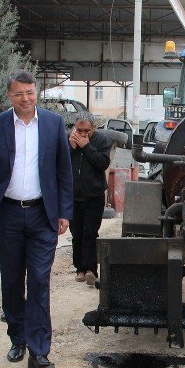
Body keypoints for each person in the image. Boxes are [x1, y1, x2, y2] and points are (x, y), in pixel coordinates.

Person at [0, 70, 74, 368]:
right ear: (10, 96)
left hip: (44, 214)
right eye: (19, 94)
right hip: (9, 214)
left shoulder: (54, 124)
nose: (25, 98)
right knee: (13, 279)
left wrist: (64, 212)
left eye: (30, 93)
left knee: (40, 280)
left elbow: (64, 173)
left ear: (36, 93)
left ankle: (39, 349)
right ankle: (17, 338)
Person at [69, 112, 112, 286]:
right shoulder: (69, 140)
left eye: (86, 130)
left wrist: (86, 146)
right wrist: (70, 147)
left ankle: (91, 270)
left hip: (94, 196)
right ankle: (79, 268)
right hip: (73, 196)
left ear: (94, 128)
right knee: (76, 233)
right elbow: (61, 163)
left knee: (90, 233)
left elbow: (103, 163)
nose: (83, 133)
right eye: (79, 130)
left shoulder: (102, 141)